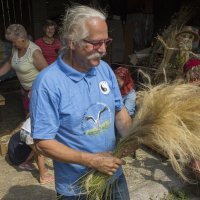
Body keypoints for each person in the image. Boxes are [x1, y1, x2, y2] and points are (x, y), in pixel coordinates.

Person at [30, 5, 132, 200]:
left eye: (106, 41)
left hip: (112, 174)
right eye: (95, 43)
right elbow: (43, 143)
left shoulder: (104, 70)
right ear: (72, 42)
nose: (102, 50)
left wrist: (131, 137)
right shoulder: (48, 83)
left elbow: (119, 111)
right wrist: (92, 161)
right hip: (76, 187)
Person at [0, 24, 48, 114]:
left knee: (36, 117)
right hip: (24, 89)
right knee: (27, 115)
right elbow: (9, 63)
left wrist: (35, 90)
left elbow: (47, 74)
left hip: (36, 91)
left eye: (14, 42)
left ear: (22, 38)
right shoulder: (15, 48)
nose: (13, 44)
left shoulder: (34, 52)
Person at [20, 117, 54, 184]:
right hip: (29, 133)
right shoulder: (48, 116)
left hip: (23, 131)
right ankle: (43, 178)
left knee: (36, 151)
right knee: (41, 153)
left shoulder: (39, 111)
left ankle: (41, 169)